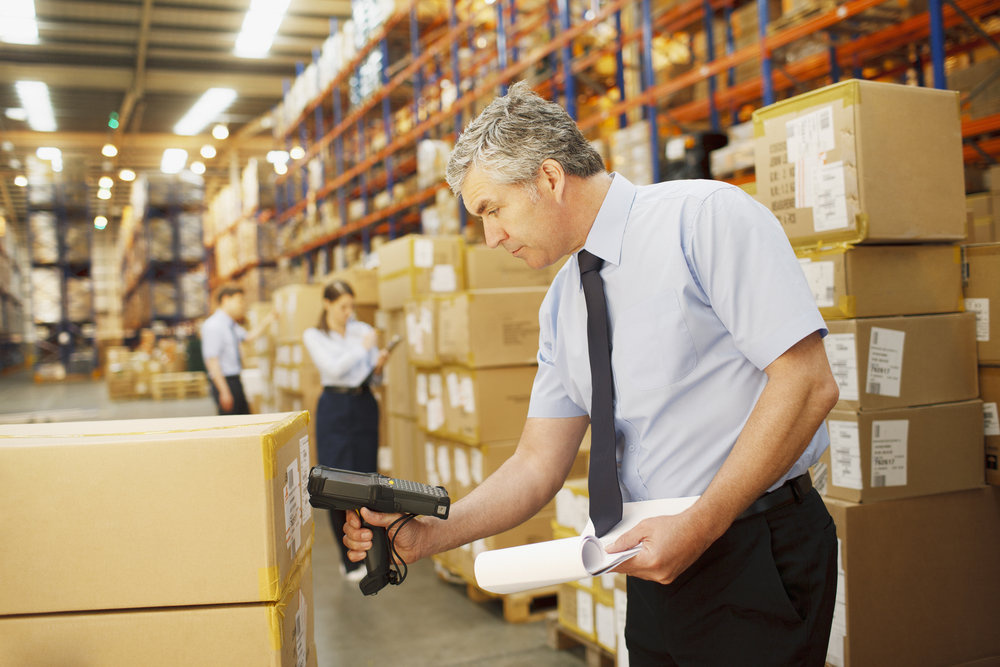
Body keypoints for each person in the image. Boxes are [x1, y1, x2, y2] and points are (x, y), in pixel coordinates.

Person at [344, 81, 841, 665]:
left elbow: (807, 384)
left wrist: (700, 524)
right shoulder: (563, 301)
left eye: (492, 209)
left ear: (550, 179)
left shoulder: (704, 219)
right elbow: (535, 465)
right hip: (653, 561)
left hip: (753, 544)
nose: (490, 236)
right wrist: (432, 535)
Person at [303, 280, 390, 583]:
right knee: (337, 482)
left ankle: (372, 555)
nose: (348, 313)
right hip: (335, 406)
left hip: (364, 402)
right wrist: (362, 349)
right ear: (327, 304)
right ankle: (348, 561)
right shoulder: (314, 336)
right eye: (342, 307)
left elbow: (373, 378)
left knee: (368, 481)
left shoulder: (361, 329)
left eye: (351, 306)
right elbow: (334, 368)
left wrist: (378, 366)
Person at [201, 284, 272, 415]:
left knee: (244, 419)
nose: (242, 305)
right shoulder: (213, 326)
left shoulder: (230, 324)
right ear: (226, 299)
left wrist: (268, 320)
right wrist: (224, 391)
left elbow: (248, 337)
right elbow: (212, 361)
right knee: (232, 425)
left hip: (235, 380)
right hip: (225, 381)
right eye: (239, 301)